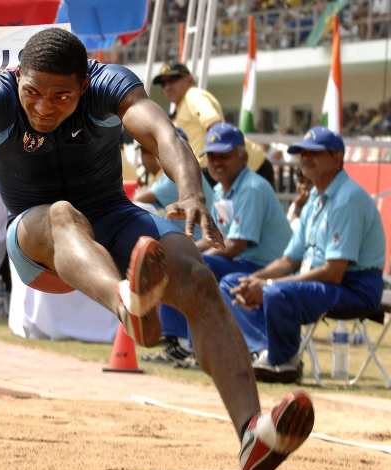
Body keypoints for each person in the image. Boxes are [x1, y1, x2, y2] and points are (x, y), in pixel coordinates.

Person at [0, 28, 314, 470]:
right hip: (38, 239)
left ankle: (252, 433)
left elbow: (163, 131)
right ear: (18, 80)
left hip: (114, 218)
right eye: (32, 92)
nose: (44, 107)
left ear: (84, 83)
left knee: (196, 276)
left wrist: (190, 191)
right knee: (61, 214)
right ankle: (127, 303)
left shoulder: (108, 85)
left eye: (61, 96)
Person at [222, 127, 386, 383]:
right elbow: (289, 260)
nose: (306, 158)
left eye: (314, 152)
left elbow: (333, 273)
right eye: (302, 152)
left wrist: (267, 284)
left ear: (337, 158)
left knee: (274, 292)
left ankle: (284, 361)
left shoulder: (347, 198)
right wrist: (254, 279)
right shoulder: (314, 200)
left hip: (355, 288)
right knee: (232, 283)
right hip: (322, 284)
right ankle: (264, 350)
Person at [159, 123, 292, 364]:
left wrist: (188, 253)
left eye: (224, 155)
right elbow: (216, 239)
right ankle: (179, 342)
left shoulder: (253, 188)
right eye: (212, 156)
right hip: (239, 262)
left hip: (262, 267)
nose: (217, 162)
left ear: (243, 155)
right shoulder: (221, 190)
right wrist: (183, 250)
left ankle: (192, 346)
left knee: (191, 266)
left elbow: (235, 245)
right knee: (177, 261)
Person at [152, 63, 276, 190]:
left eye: (172, 80)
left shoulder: (193, 95)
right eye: (163, 84)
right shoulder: (180, 108)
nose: (167, 87)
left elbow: (215, 127)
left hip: (248, 168)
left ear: (189, 79)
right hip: (224, 170)